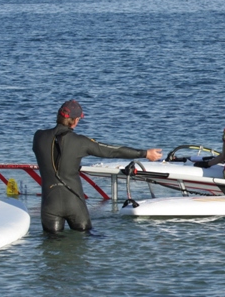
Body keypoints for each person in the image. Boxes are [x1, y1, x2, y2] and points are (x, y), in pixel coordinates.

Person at [33, 99, 162, 233]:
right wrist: (145, 153)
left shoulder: (38, 137)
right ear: (76, 120)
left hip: (49, 204)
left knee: (52, 246)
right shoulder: (81, 142)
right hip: (74, 203)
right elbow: (112, 150)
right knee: (85, 239)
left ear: (58, 116)